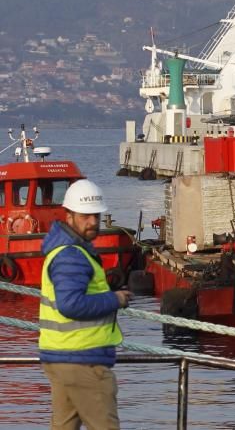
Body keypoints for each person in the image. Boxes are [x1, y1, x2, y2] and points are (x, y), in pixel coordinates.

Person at [39, 179, 132, 430]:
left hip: (62, 357)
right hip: (83, 361)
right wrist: (115, 299)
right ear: (69, 216)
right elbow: (70, 304)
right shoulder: (71, 255)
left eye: (96, 216)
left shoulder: (62, 251)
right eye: (85, 216)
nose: (92, 222)